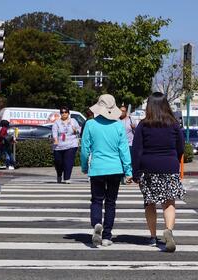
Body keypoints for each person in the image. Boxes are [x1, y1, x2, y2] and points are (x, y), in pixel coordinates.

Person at [131, 92, 185, 252]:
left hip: (148, 168)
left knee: (150, 203)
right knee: (169, 202)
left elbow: (137, 150)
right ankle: (168, 230)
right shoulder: (174, 124)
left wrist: (135, 172)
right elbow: (181, 147)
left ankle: (153, 237)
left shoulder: (143, 125)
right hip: (169, 166)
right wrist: (175, 159)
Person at [81, 94, 132, 247]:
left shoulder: (90, 124)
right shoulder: (118, 126)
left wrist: (84, 166)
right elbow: (124, 150)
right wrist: (128, 171)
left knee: (96, 200)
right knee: (111, 202)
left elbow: (84, 149)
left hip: (97, 168)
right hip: (115, 168)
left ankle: (97, 223)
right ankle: (107, 236)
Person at [52, 106, 80, 184]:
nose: (64, 114)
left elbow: (79, 130)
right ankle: (59, 174)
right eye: (62, 112)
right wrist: (55, 139)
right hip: (59, 145)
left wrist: (76, 130)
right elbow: (54, 132)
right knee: (58, 162)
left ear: (68, 113)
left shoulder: (73, 121)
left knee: (68, 161)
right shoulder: (57, 122)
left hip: (71, 144)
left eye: (65, 112)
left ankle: (67, 178)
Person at [119, 105, 137, 184]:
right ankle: (122, 177)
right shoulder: (116, 120)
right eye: (120, 111)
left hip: (130, 144)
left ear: (126, 112)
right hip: (120, 144)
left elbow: (137, 132)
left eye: (123, 111)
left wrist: (134, 128)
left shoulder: (131, 119)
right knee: (121, 161)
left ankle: (129, 176)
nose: (121, 112)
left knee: (129, 161)